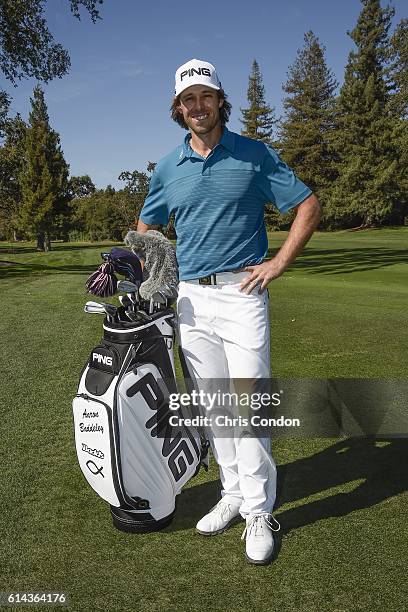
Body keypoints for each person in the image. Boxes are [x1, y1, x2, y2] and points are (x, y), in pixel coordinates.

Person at [137, 58, 321, 564]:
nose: (198, 106)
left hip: (242, 294)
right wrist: (148, 261)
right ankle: (233, 493)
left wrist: (280, 261)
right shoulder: (168, 167)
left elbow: (307, 204)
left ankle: (260, 508)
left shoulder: (254, 154)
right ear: (178, 109)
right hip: (192, 301)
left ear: (220, 101)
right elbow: (147, 226)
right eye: (188, 99)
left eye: (206, 96)